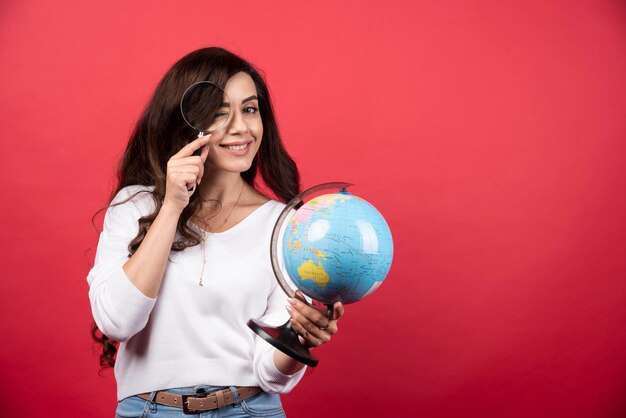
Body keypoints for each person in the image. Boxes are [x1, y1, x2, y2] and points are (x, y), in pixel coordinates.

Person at [87, 47, 345, 417]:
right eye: (219, 114)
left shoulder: (283, 225)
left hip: (251, 408)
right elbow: (117, 321)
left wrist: (298, 341)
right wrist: (173, 205)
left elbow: (270, 374)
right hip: (150, 410)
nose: (241, 127)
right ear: (186, 124)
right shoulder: (137, 204)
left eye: (250, 109)